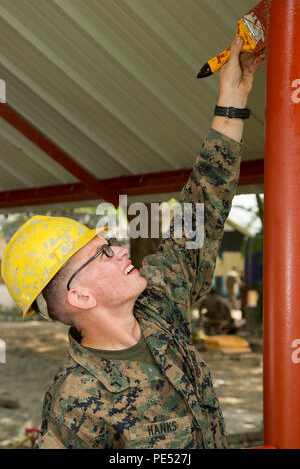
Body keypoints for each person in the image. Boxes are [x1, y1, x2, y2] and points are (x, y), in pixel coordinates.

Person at [1, 37, 264, 449]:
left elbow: (202, 209)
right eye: (102, 253)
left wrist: (232, 98)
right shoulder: (77, 405)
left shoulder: (159, 302)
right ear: (82, 297)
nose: (122, 249)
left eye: (111, 244)